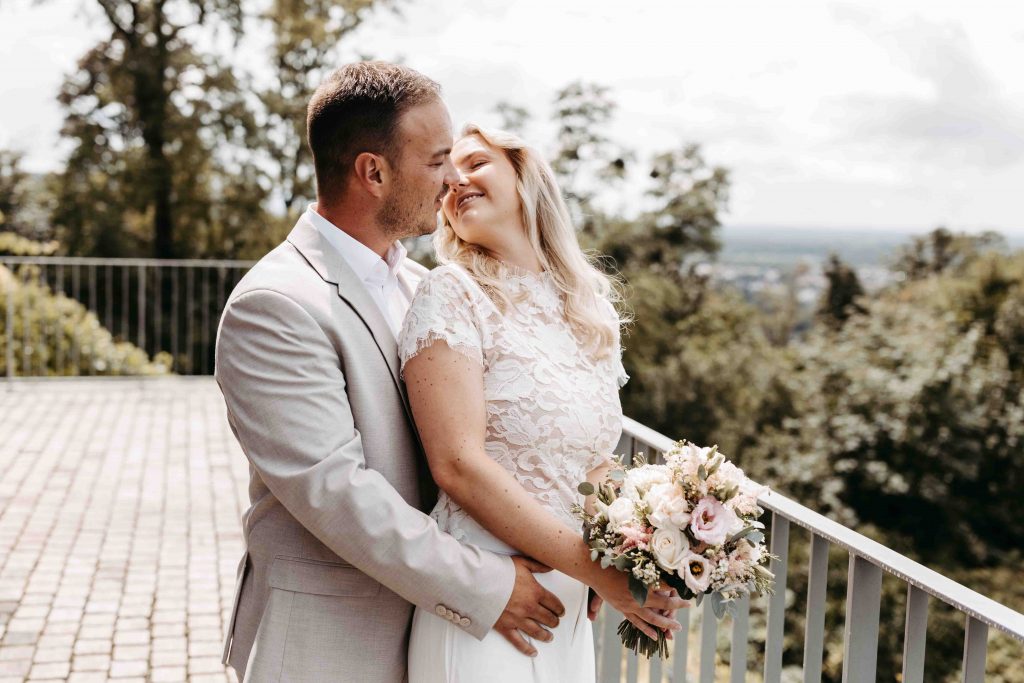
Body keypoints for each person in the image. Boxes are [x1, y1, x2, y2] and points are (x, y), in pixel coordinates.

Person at [214, 62, 567, 683]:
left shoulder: (424, 287)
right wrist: (486, 585)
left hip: (444, 643)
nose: (453, 179)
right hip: (332, 643)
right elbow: (337, 493)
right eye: (436, 162)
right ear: (373, 172)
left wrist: (577, 555)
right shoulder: (273, 304)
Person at [401, 125, 687, 683]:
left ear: (525, 175)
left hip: (570, 600)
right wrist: (600, 573)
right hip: (490, 594)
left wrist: (634, 559)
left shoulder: (587, 307)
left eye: (476, 163)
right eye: (446, 175)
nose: (455, 181)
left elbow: (595, 463)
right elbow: (457, 464)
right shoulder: (451, 293)